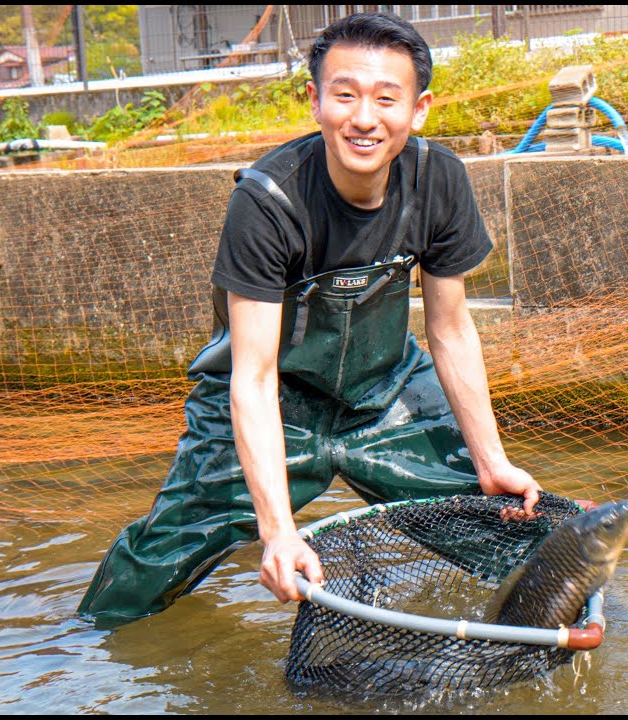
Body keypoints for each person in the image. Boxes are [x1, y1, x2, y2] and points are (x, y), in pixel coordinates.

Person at [77, 11, 540, 625]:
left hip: (385, 391)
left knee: (504, 527)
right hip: (274, 401)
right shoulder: (267, 201)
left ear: (419, 108)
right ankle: (83, 643)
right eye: (344, 95)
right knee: (164, 554)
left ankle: (537, 626)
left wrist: (490, 461)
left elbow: (449, 330)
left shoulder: (439, 180)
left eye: (386, 98)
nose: (364, 118)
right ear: (315, 101)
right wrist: (277, 533)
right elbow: (255, 375)